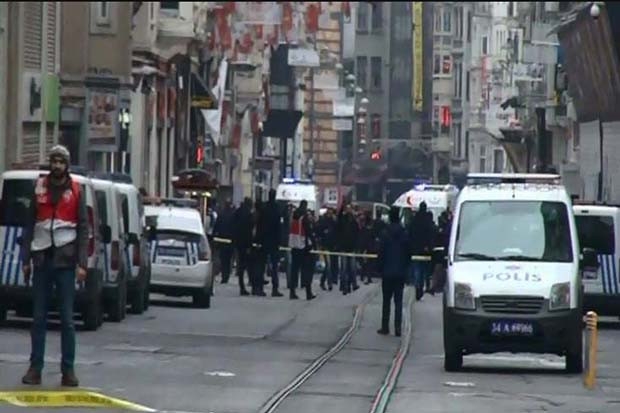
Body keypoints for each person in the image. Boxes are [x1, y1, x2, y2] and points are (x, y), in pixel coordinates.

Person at [20, 145, 88, 387]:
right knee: (38, 318)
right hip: (41, 259)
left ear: (67, 165)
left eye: (61, 161)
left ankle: (68, 371)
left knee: (67, 320)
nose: (57, 165)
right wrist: (25, 259)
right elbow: (29, 225)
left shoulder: (77, 190)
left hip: (66, 262)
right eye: (54, 161)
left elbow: (83, 228)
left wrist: (82, 264)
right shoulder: (39, 187)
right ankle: (34, 368)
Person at [377, 207, 410, 337]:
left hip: (387, 271)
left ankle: (385, 326)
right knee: (399, 300)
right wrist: (406, 268)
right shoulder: (404, 234)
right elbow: (408, 253)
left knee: (386, 300)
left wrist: (379, 268)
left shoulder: (385, 233)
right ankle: (398, 328)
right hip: (400, 272)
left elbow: (381, 253)